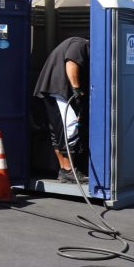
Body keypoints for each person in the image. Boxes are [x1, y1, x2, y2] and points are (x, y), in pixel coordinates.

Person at [33, 36, 90, 183]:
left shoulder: (73, 43)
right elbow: (71, 64)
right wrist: (77, 90)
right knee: (70, 128)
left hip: (50, 91)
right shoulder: (81, 44)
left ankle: (65, 170)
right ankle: (70, 169)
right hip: (58, 90)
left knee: (57, 134)